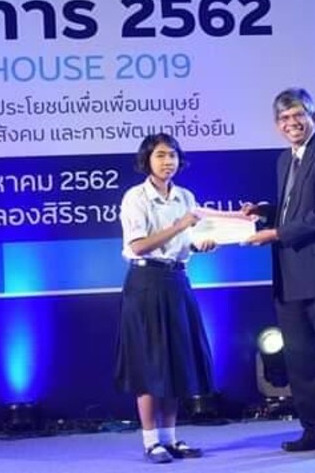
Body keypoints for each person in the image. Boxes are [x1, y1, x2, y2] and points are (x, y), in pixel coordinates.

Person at [243, 87, 315, 456]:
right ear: (277, 125)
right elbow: (293, 209)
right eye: (284, 118)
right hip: (291, 274)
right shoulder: (285, 159)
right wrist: (265, 212)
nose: (291, 123)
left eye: (298, 115)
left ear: (313, 117)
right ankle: (314, 428)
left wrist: (276, 233)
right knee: (301, 360)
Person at [114, 133, 217, 464]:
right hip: (146, 282)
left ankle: (169, 439)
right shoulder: (136, 197)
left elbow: (190, 240)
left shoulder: (185, 196)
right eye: (160, 155)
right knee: (149, 364)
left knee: (175, 362)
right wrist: (180, 225)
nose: (167, 161)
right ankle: (150, 441)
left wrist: (203, 243)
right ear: (147, 160)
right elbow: (138, 245)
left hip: (177, 280)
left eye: (172, 155)